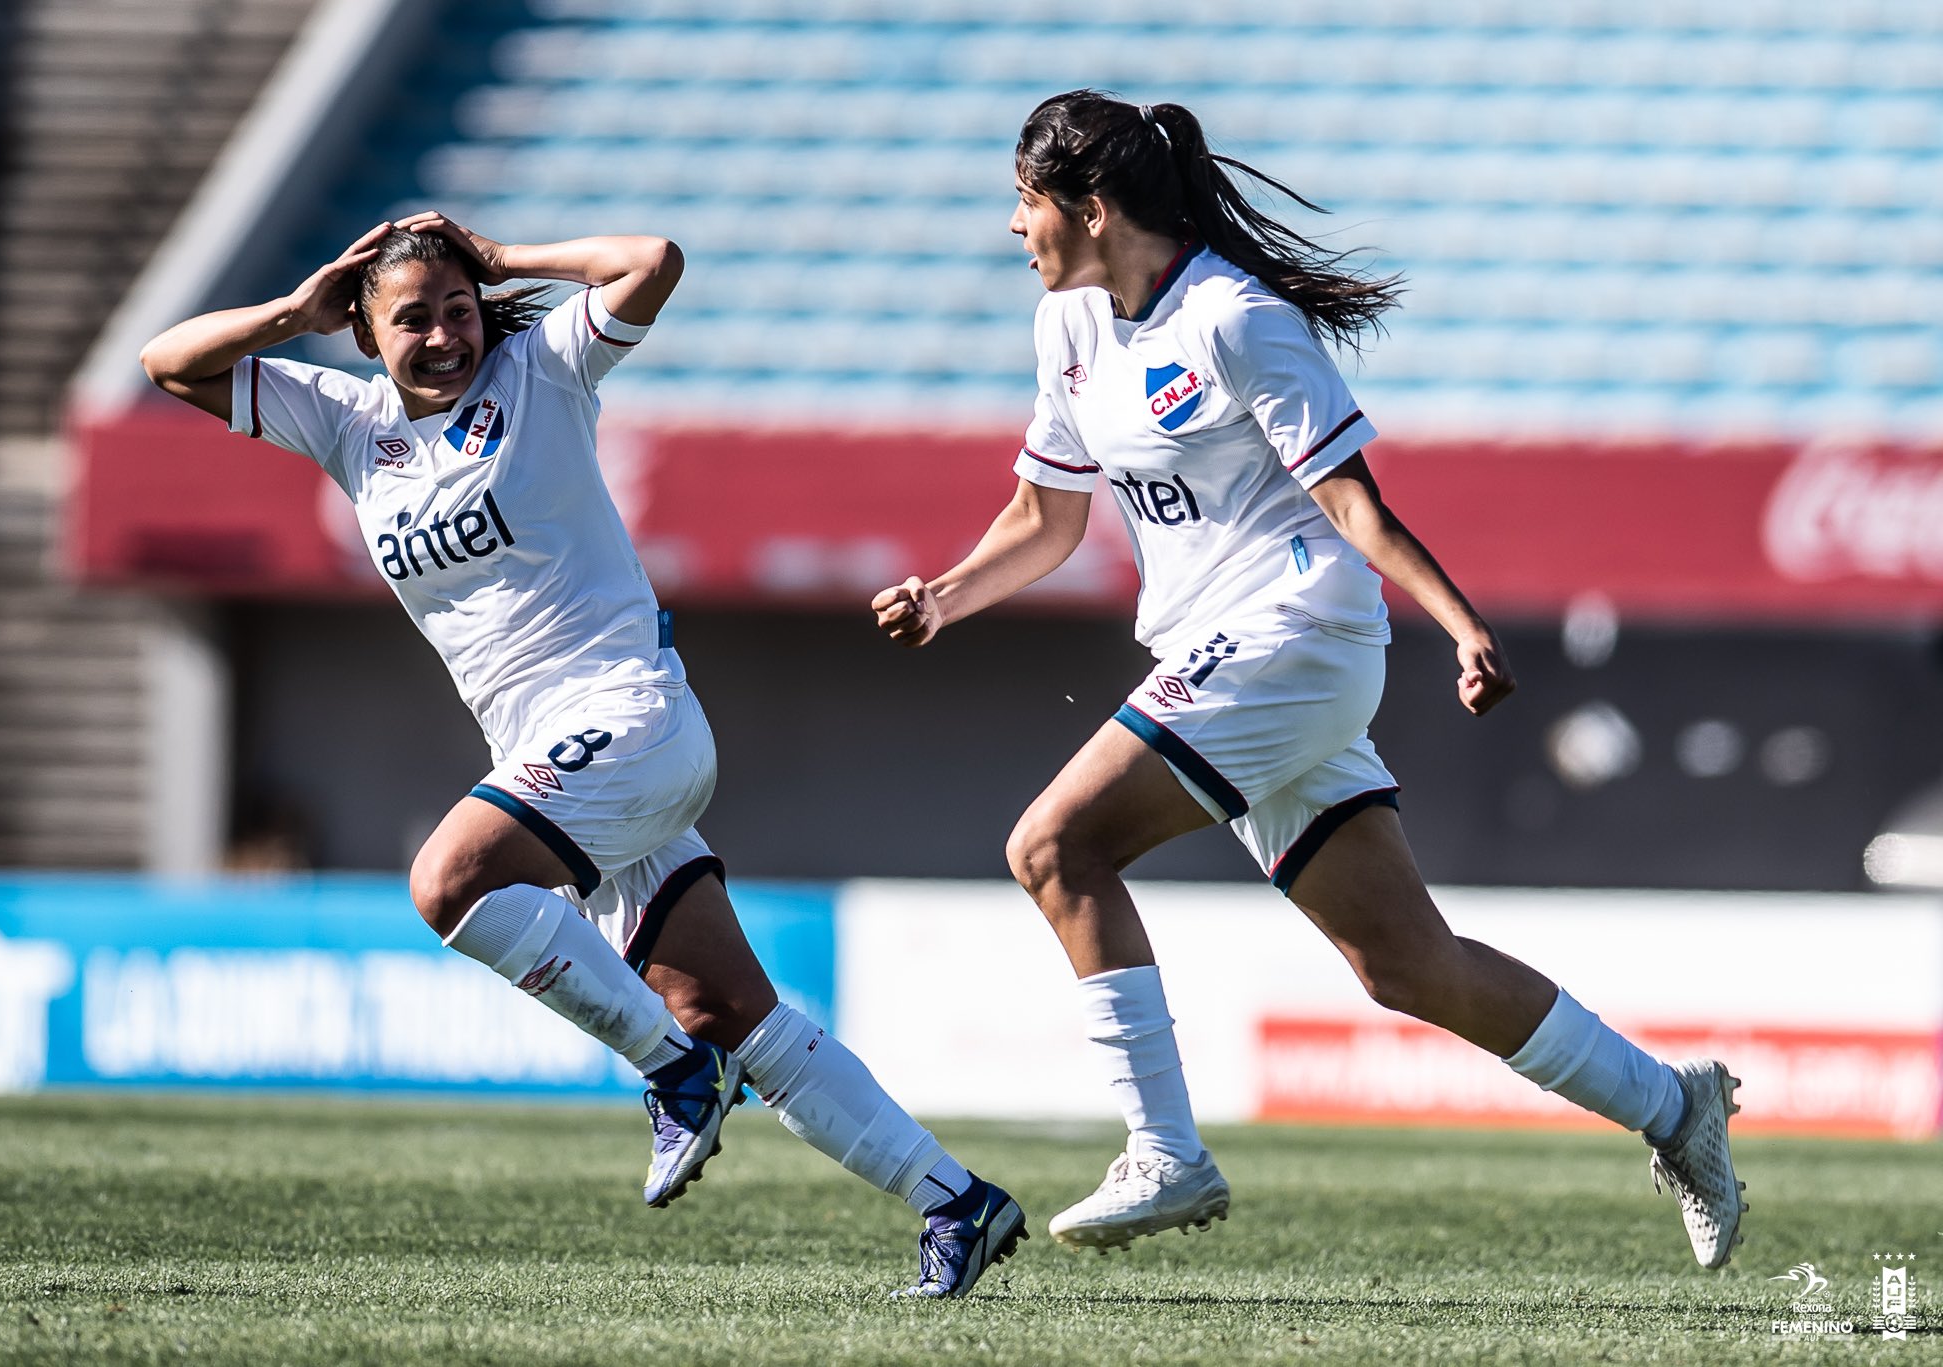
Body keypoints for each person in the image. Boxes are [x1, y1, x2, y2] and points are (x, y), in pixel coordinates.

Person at [871, 89, 1746, 1270]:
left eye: (1022, 204)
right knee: (1405, 961)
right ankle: (1674, 1105)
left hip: (1296, 634)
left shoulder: (1235, 318)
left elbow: (1351, 504)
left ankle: (1163, 1146)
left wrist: (1458, 624)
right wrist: (945, 594)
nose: (1010, 228)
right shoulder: (1067, 329)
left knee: (1052, 845)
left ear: (1086, 206)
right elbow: (1042, 516)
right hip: (1221, 655)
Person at [140, 213, 1025, 1297]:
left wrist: (506, 263)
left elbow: (651, 261)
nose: (442, 335)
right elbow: (167, 364)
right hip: (567, 761)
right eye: (410, 318)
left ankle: (668, 1070)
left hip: (630, 720)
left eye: (457, 310)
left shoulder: (540, 371)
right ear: (364, 331)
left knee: (450, 876)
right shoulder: (345, 423)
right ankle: (956, 1200)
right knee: (729, 1010)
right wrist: (294, 311)